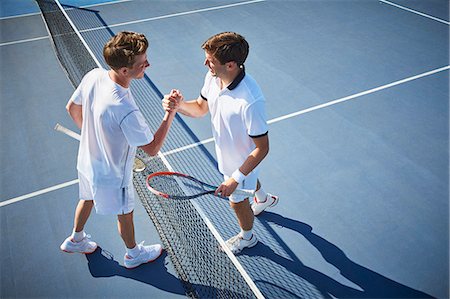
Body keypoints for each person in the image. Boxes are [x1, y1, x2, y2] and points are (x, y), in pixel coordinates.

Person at [60, 31, 179, 269]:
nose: (148, 64)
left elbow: (72, 108)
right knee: (125, 213)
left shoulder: (93, 76)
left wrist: (92, 136)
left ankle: (76, 239)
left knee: (87, 196)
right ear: (125, 71)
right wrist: (170, 112)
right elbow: (153, 148)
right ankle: (133, 254)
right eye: (143, 63)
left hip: (86, 160)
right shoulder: (126, 108)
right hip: (113, 174)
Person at [163, 32, 278, 254]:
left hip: (242, 162)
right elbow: (200, 108)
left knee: (237, 201)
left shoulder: (250, 101)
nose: (205, 63)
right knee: (247, 181)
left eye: (211, 60)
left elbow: (262, 148)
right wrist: (178, 105)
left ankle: (248, 237)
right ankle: (262, 199)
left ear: (231, 65)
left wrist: (235, 179)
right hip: (227, 155)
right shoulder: (213, 78)